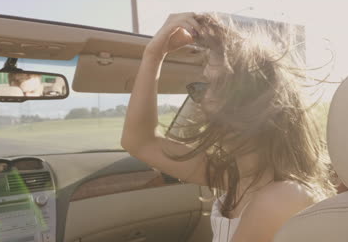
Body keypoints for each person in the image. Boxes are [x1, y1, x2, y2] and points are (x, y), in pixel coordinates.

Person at [121, 13, 336, 242]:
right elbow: (139, 142)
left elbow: (140, 142)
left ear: (248, 103)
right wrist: (154, 55)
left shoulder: (279, 199)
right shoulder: (236, 176)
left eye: (213, 85)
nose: (201, 100)